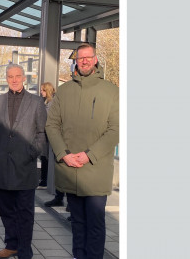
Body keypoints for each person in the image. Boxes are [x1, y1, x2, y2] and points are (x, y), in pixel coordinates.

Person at [45, 43, 119, 259]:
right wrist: (63, 154)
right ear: (76, 61)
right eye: (80, 58)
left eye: (88, 57)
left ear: (95, 59)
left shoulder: (112, 91)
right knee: (77, 222)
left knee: (95, 223)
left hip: (96, 170)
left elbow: (116, 129)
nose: (84, 61)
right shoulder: (65, 90)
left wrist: (89, 155)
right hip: (70, 169)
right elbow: (52, 125)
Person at [0, 64, 47, 259]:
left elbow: (41, 132)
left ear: (24, 78)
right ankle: (11, 244)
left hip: (25, 167)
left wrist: (32, 153)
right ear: (6, 79)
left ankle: (24, 250)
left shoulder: (36, 102)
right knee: (6, 210)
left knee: (25, 213)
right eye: (11, 76)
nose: (14, 79)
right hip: (3, 165)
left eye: (18, 76)